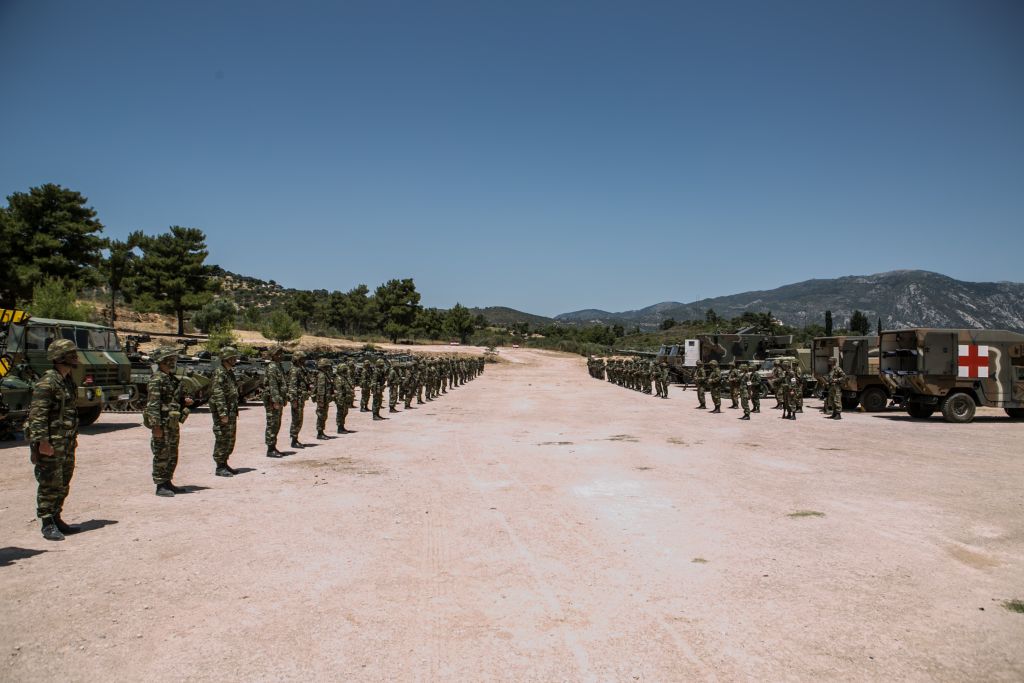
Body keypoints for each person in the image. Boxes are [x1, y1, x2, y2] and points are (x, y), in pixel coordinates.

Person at [28, 339, 81, 541]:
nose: (76, 357)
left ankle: (57, 516)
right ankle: (47, 522)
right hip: (50, 443)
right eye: (71, 354)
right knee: (50, 481)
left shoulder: (67, 380)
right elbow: (37, 416)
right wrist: (42, 442)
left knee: (63, 481)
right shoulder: (48, 382)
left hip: (66, 442)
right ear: (60, 357)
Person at [147, 346, 193, 496]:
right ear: (163, 361)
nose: (173, 361)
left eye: (174, 359)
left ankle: (167, 481)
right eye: (170, 359)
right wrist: (156, 426)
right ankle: (160, 485)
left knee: (172, 453)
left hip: (172, 423)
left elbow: (174, 398)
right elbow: (153, 405)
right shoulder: (157, 379)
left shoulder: (171, 379)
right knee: (161, 453)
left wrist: (184, 400)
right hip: (162, 423)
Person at [210, 347, 241, 476]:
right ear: (226, 359)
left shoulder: (229, 373)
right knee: (222, 437)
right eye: (232, 357)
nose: (235, 359)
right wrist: (223, 413)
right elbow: (218, 394)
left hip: (231, 411)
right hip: (224, 412)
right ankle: (219, 466)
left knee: (230, 438)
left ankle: (224, 463)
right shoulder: (219, 373)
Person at [263, 345, 287, 457]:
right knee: (272, 423)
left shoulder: (279, 366)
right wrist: (276, 400)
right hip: (273, 401)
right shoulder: (272, 367)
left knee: (276, 423)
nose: (281, 355)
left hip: (278, 399)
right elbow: (273, 385)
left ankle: (273, 447)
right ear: (273, 355)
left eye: (281, 353)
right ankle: (270, 448)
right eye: (278, 353)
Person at [287, 351, 309, 448]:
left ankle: (295, 438)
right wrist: (293, 399)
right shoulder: (295, 370)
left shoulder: (300, 369)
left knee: (299, 419)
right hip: (297, 398)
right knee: (296, 419)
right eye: (302, 359)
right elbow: (292, 386)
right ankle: (294, 440)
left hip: (300, 398)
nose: (304, 361)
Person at [313, 358, 334, 439]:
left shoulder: (324, 374)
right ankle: (320, 433)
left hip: (325, 399)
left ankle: (321, 432)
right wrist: (321, 400)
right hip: (322, 399)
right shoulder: (322, 375)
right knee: (321, 415)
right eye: (327, 366)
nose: (328, 368)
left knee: (323, 415)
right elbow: (321, 389)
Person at [333, 363, 354, 433]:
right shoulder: (338, 378)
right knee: (340, 413)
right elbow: (339, 391)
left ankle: (342, 426)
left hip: (345, 399)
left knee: (344, 412)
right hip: (341, 399)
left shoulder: (344, 377)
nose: (345, 371)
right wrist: (340, 400)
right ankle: (340, 428)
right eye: (344, 370)